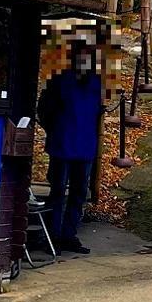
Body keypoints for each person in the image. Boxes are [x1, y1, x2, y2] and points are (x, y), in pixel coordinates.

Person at [38, 41, 106, 255]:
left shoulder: (96, 82)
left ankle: (68, 233)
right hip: (63, 142)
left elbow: (98, 111)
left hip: (83, 144)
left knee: (78, 192)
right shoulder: (60, 79)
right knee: (58, 191)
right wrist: (53, 129)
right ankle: (54, 234)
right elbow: (45, 109)